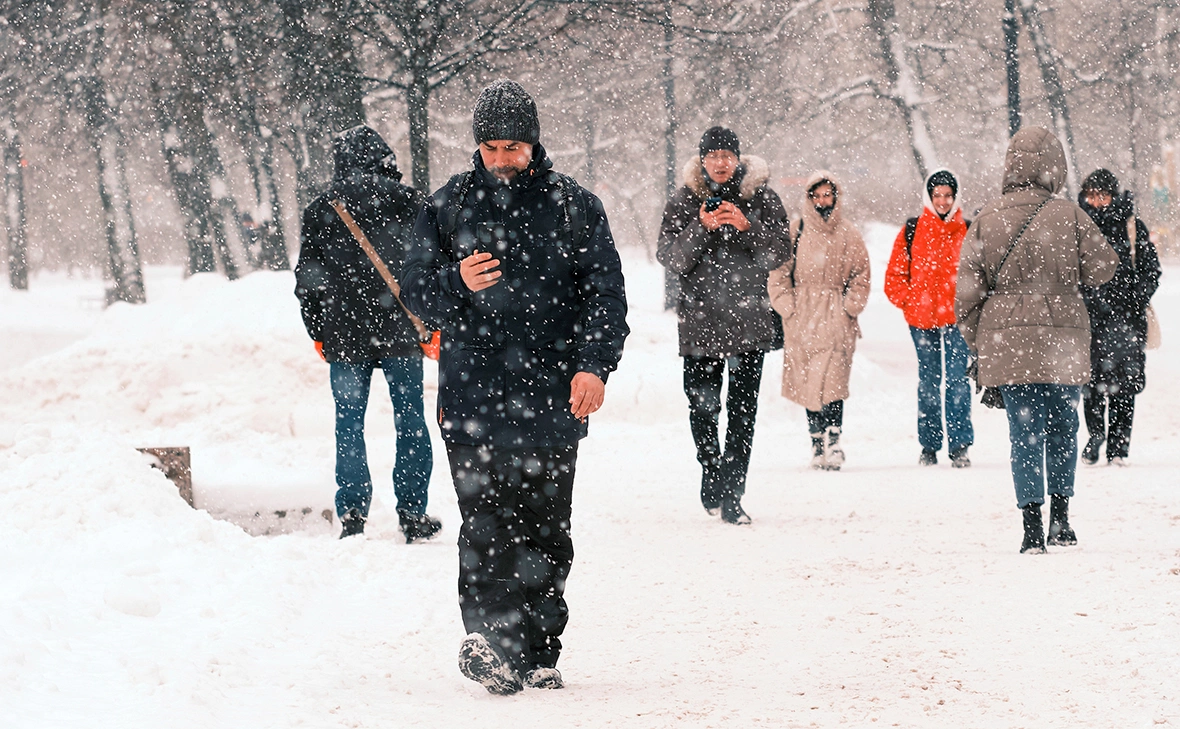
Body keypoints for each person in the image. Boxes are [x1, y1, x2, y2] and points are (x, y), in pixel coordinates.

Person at [401, 80, 628, 695]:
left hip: (554, 395)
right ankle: (492, 645)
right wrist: (455, 281)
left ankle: (539, 646)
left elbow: (605, 296)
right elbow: (414, 291)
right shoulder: (448, 206)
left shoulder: (575, 206)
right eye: (491, 147)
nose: (501, 158)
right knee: (484, 523)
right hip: (473, 398)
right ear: (477, 146)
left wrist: (593, 367)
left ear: (534, 143)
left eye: (512, 146)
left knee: (546, 524)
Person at [956, 127, 1117, 554]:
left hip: (1009, 343)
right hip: (1062, 337)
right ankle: (1061, 518)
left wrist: (981, 342)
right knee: (1064, 426)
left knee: (1024, 430)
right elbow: (1104, 268)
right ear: (1054, 165)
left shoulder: (987, 217)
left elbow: (967, 293)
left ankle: (1030, 525)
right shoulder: (1070, 215)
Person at [294, 125, 441, 543]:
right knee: (410, 419)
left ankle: (354, 514)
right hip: (401, 329)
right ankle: (412, 514)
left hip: (344, 333)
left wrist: (318, 331)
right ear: (384, 158)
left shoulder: (324, 208)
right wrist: (432, 324)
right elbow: (428, 268)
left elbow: (309, 280)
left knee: (348, 423)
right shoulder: (413, 202)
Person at [656, 127, 791, 524]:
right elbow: (672, 258)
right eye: (712, 155)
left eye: (726, 155)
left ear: (738, 158)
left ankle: (733, 492)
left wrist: (749, 227)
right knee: (702, 408)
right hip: (700, 322)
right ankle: (711, 468)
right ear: (701, 160)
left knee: (742, 412)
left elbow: (779, 253)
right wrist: (702, 227)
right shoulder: (684, 201)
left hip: (750, 321)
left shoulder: (761, 197)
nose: (719, 163)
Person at [768, 172, 871, 470]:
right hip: (803, 318)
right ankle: (816, 443)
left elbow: (861, 274)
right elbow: (778, 273)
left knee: (835, 381)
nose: (823, 201)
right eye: (817, 195)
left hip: (836, 316)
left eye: (828, 195)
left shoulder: (849, 233)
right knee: (809, 381)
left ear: (836, 197)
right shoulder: (796, 230)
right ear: (809, 198)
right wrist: (788, 307)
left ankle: (835, 440)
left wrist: (850, 306)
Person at [884, 169, 974, 467]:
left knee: (958, 381)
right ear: (929, 196)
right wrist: (909, 302)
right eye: (937, 195)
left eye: (948, 195)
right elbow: (894, 276)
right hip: (921, 320)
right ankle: (929, 445)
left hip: (958, 320)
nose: (943, 201)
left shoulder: (968, 230)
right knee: (929, 382)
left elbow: (980, 277)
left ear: (956, 197)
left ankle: (960, 445)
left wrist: (972, 306)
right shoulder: (912, 230)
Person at [1077, 169, 1161, 466]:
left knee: (1124, 388)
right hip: (1090, 321)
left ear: (1113, 195)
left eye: (1103, 195)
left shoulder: (1132, 227)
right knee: (1091, 387)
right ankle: (1096, 437)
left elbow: (1152, 271)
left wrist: (1133, 300)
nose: (1097, 202)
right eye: (1092, 196)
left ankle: (1118, 449)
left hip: (1127, 322)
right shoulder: (1078, 227)